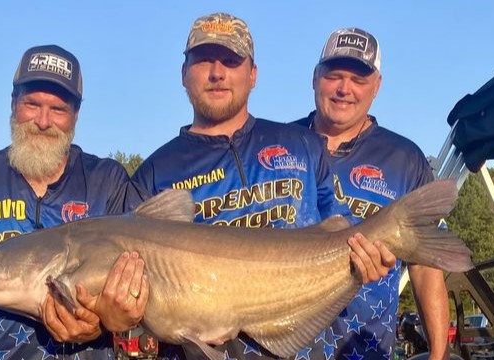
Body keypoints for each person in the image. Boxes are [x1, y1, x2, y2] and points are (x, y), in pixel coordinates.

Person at [131, 13, 396, 360]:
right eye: (203, 61)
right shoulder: (153, 172)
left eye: (230, 61)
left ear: (253, 74)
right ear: (183, 74)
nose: (217, 73)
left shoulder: (301, 143)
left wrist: (370, 256)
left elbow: (341, 228)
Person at [0, 44, 147, 359]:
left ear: (75, 115)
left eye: (58, 109)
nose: (43, 121)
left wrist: (99, 323)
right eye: (31, 104)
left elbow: (139, 288)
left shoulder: (107, 180)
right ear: (13, 104)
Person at [293, 28, 450, 359]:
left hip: (366, 350)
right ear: (314, 78)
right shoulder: (279, 145)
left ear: (376, 86)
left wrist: (438, 353)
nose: (344, 89)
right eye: (334, 75)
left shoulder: (404, 160)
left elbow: (425, 267)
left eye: (358, 79)